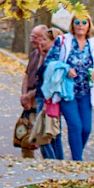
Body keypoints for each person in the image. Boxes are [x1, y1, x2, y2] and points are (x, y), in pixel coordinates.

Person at [45, 12, 94, 161]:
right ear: (72, 24)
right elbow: (49, 62)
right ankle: (78, 161)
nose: (80, 26)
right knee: (75, 126)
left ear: (89, 25)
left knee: (86, 129)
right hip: (67, 91)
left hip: (86, 91)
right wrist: (65, 68)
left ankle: (76, 157)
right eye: (77, 22)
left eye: (84, 22)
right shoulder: (63, 41)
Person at [18, 24, 49, 159]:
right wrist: (24, 95)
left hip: (40, 98)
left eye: (35, 37)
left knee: (40, 132)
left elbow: (45, 82)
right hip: (29, 98)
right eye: (31, 36)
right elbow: (27, 75)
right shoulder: (33, 54)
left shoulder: (48, 57)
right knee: (24, 133)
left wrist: (30, 96)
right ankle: (28, 160)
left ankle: (47, 160)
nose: (32, 40)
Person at [33, 26, 63, 159]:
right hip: (42, 96)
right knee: (47, 129)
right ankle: (53, 159)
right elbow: (38, 74)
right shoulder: (46, 57)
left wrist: (47, 101)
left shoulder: (55, 60)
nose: (42, 42)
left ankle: (53, 160)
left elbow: (50, 81)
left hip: (48, 98)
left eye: (45, 40)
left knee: (48, 131)